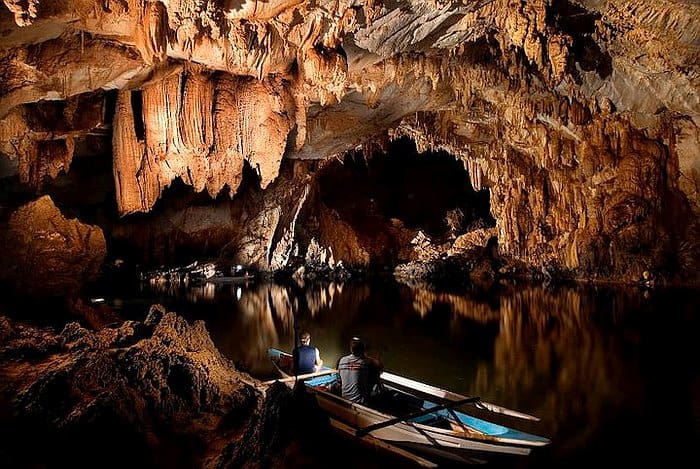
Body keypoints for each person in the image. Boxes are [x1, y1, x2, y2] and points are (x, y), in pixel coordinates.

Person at [336, 337, 384, 405]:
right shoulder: (367, 362)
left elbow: (339, 381)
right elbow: (380, 368)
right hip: (361, 402)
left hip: (345, 399)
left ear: (351, 349)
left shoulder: (342, 360)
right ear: (364, 349)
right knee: (376, 379)